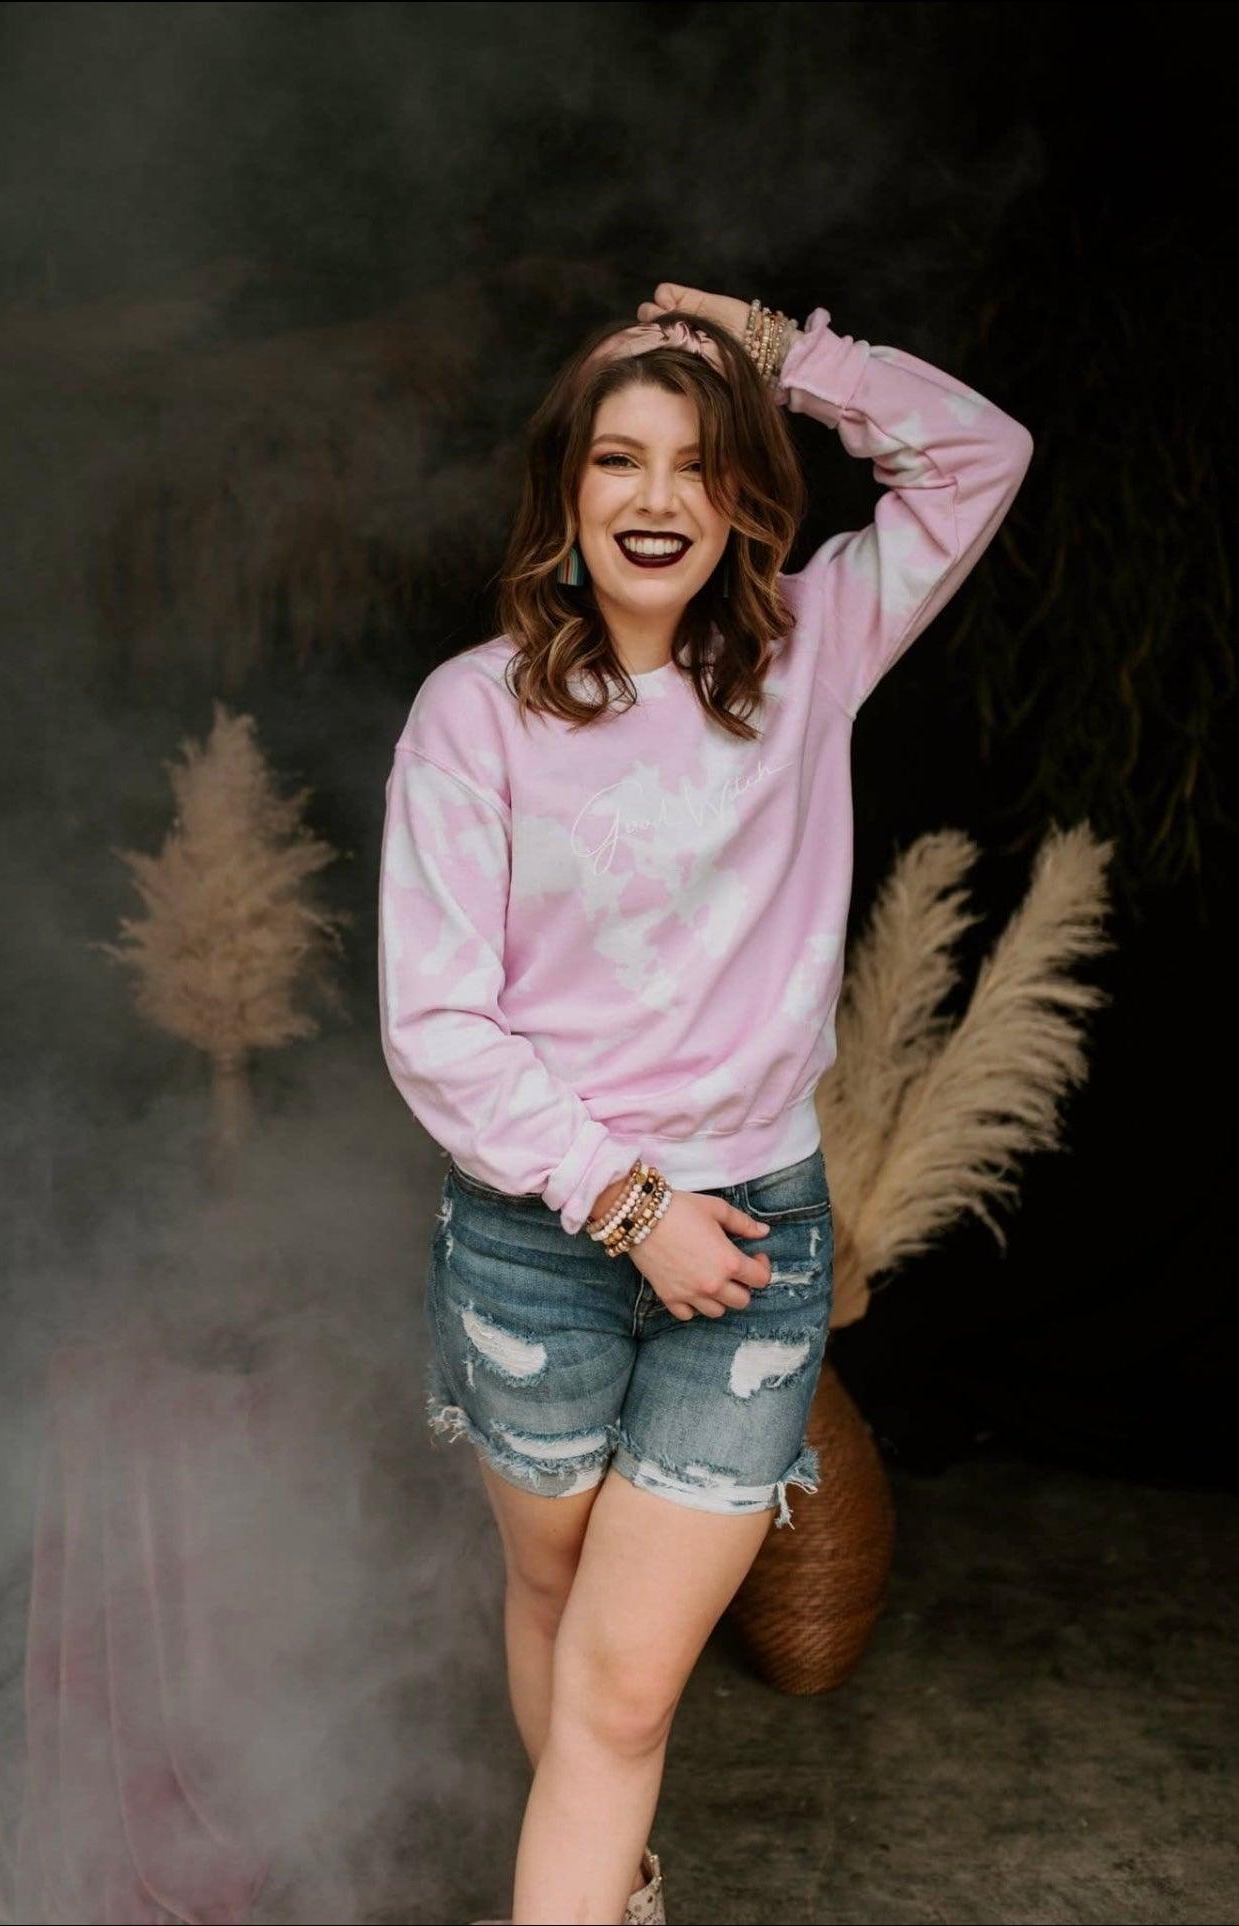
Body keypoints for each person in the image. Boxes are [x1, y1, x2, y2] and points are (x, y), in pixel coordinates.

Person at [378, 283, 1033, 1926]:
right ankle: (618, 1880)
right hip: (536, 1245)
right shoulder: (476, 714)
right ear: (567, 492)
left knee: (622, 1690)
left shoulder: (815, 650)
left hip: (752, 1249)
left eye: (695, 461)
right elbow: (438, 1024)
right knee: (552, 1589)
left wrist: (789, 357)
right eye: (619, 459)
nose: (656, 497)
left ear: (744, 490)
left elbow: (983, 454)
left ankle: (581, 1887)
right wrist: (627, 1206)